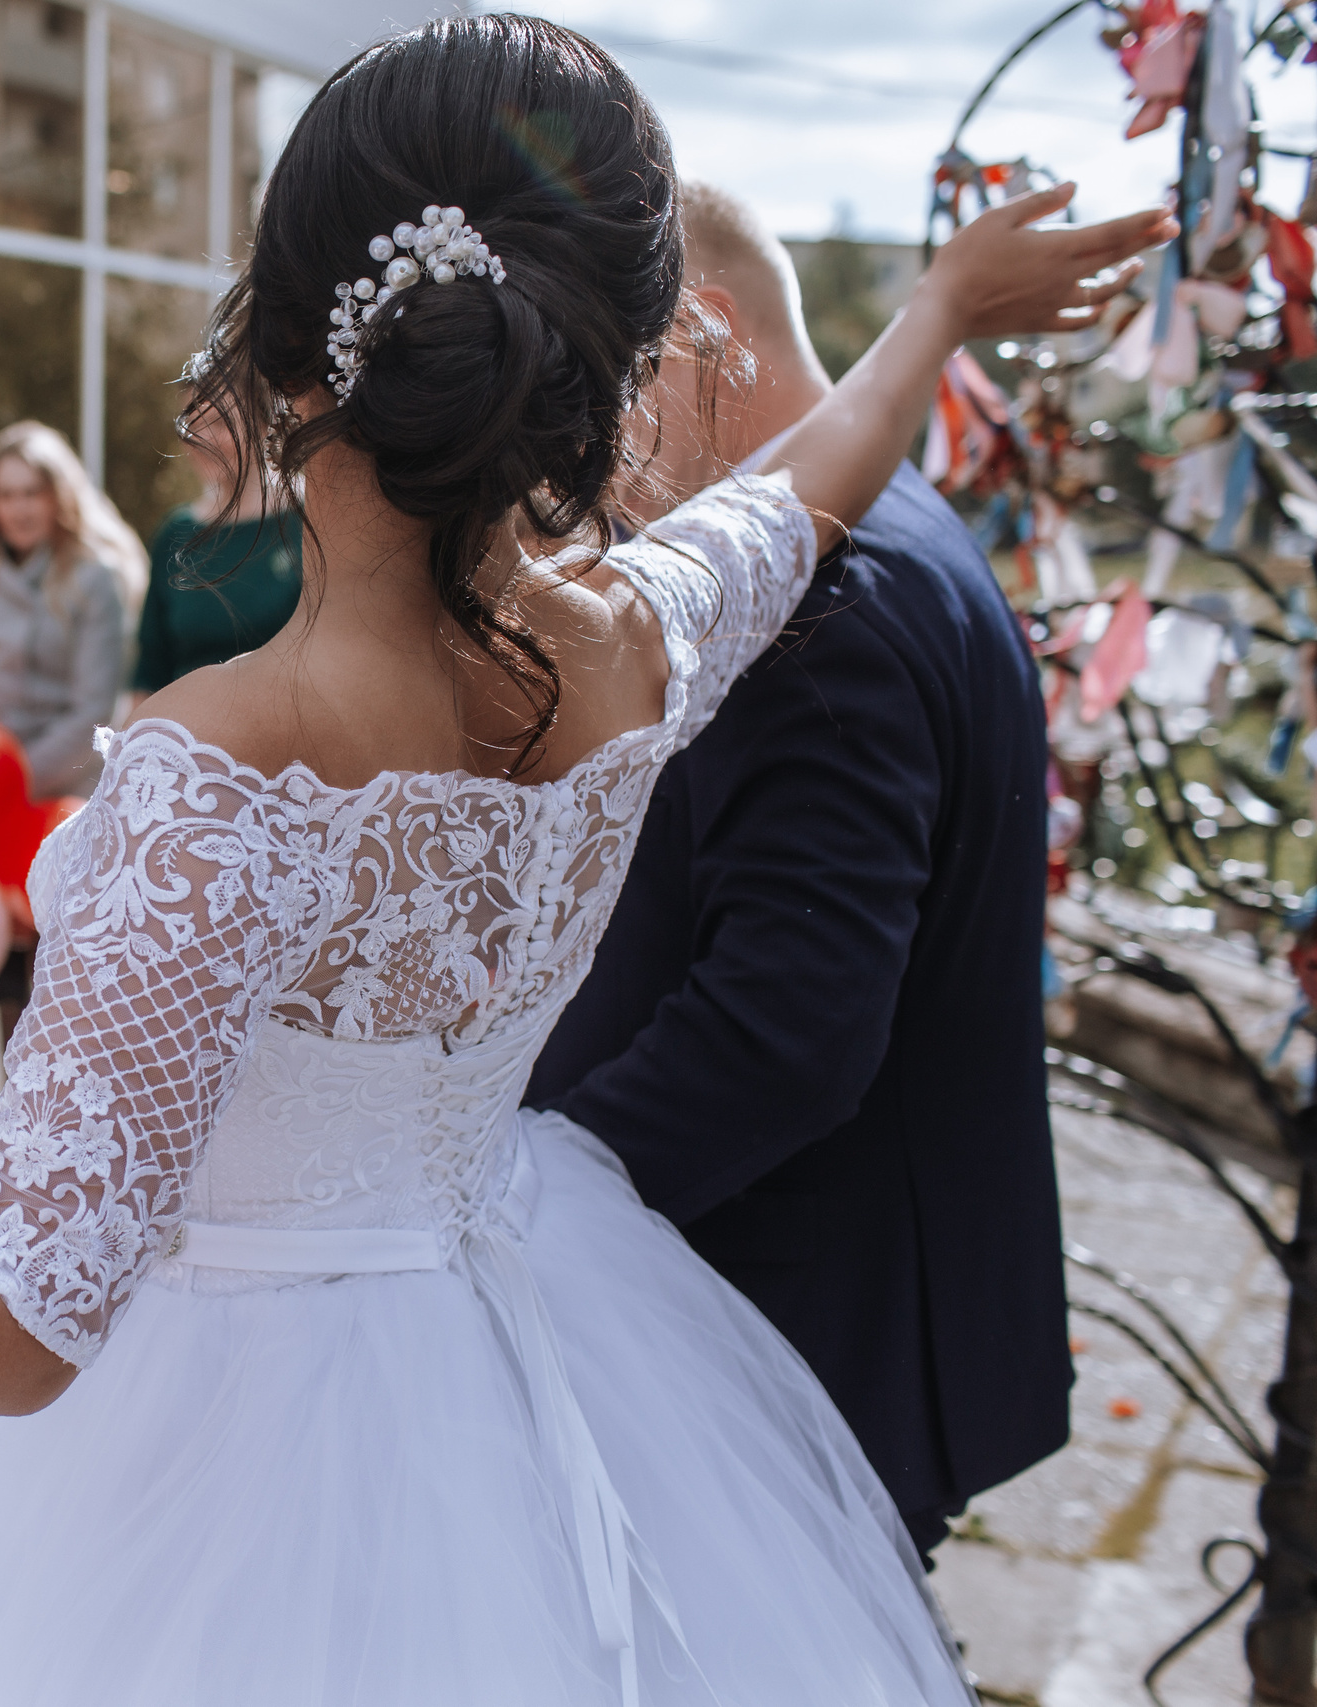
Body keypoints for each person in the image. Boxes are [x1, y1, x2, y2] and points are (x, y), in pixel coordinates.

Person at [0, 16, 1167, 1700]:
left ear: (283, 352)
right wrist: (933, 310)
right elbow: (809, 482)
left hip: (216, 1460)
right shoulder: (638, 646)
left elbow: (10, 1324)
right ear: (610, 366)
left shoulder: (226, 767)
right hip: (515, 1385)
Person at [522, 181, 1070, 1563]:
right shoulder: (902, 527)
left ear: (705, 339)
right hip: (844, 1300)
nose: (569, 453)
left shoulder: (818, 609)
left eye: (589, 389)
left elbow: (784, 1027)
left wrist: (525, 1191)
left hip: (800, 1326)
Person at [0, 421, 144, 797]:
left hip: (62, 789)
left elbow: (93, 714)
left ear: (58, 496)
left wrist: (14, 778)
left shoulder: (96, 579)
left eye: (31, 493)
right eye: (5, 495)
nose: (17, 509)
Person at [131, 401, 303, 692]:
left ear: (263, 424)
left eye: (220, 422)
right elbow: (150, 670)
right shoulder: (174, 533)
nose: (202, 438)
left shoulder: (307, 521)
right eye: (191, 424)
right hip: (189, 729)